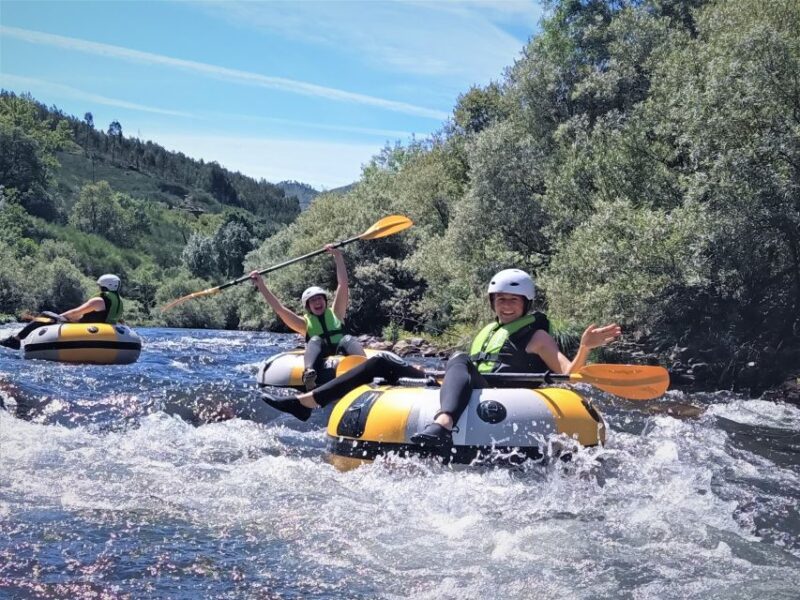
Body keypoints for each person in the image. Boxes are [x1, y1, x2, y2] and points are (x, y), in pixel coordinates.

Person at [260, 268, 621, 433]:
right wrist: (441, 376)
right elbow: (465, 370)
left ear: (526, 303)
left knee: (460, 358)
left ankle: (444, 421)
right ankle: (307, 403)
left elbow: (566, 373)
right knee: (382, 360)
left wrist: (586, 348)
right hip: (465, 384)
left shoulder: (537, 337)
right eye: (500, 300)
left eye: (513, 301)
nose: (506, 306)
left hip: (502, 391)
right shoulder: (491, 329)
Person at [250, 244, 366, 391]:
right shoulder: (304, 324)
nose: (317, 302)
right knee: (315, 339)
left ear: (325, 301)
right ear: (308, 306)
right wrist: (261, 285)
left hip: (341, 353)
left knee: (348, 339)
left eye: (319, 298)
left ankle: (366, 367)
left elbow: (342, 284)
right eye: (312, 300)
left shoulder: (337, 312)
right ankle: (309, 373)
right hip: (320, 358)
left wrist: (338, 256)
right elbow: (280, 309)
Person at [0, 274, 125, 350]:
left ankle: (15, 340)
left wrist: (60, 317)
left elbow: (75, 312)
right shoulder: (118, 302)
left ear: (104, 285)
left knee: (45, 314)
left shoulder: (98, 301)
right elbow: (119, 320)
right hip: (105, 333)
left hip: (85, 329)